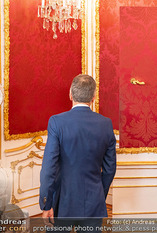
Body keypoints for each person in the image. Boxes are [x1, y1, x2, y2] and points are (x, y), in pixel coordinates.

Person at [39, 74, 117, 223]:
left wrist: (46, 203)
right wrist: (100, 194)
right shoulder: (106, 124)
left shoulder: (57, 122)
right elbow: (110, 169)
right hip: (94, 200)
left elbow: (49, 168)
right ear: (94, 97)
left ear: (70, 93)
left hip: (62, 202)